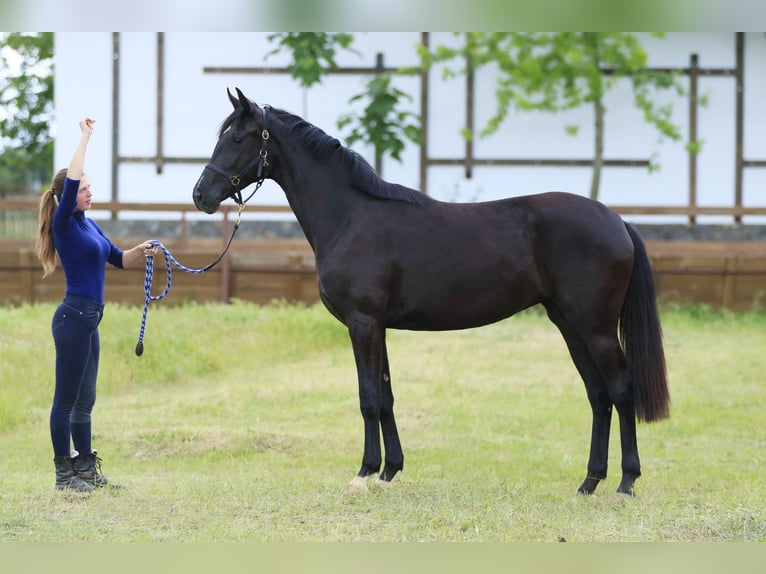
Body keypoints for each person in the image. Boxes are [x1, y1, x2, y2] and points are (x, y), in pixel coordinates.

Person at [35, 117, 158, 492]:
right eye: (84, 189)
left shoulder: (89, 224)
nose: (89, 193)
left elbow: (118, 259)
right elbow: (70, 179)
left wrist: (143, 249)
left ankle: (86, 470)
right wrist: (85, 137)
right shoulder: (65, 223)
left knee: (85, 401)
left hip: (90, 321)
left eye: (89, 188)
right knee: (65, 400)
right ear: (68, 196)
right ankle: (63, 476)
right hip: (73, 318)